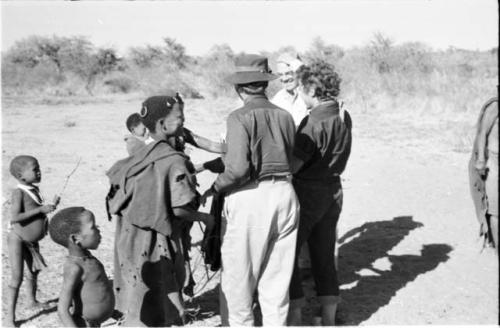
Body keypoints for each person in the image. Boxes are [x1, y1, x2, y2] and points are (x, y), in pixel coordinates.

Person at [201, 54, 300, 326]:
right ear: (264, 85)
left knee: (238, 280)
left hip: (250, 198)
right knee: (277, 281)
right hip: (285, 194)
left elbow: (238, 170)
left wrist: (214, 188)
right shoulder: (285, 116)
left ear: (239, 88)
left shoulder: (238, 117)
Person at [106, 95, 214, 326]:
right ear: (163, 124)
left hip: (130, 235)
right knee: (160, 294)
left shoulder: (143, 154)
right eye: (179, 117)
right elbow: (178, 210)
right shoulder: (173, 160)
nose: (183, 120)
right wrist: (205, 217)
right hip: (157, 239)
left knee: (141, 292)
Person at [287, 60, 352, 326]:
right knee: (324, 254)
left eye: (300, 89)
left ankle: (295, 314)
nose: (298, 95)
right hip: (334, 189)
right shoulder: (344, 116)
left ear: (311, 88)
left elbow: (294, 166)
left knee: (288, 251)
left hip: (307, 191)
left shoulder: (312, 122)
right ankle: (328, 316)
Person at [6, 155, 57, 327]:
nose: (39, 172)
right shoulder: (19, 192)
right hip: (17, 239)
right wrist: (40, 210)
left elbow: (36, 210)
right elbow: (15, 217)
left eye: (39, 168)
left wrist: (47, 208)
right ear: (21, 176)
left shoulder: (33, 190)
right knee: (16, 277)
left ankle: (31, 301)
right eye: (35, 169)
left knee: (33, 271)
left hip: (30, 242)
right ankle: (9, 319)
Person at [48, 207, 115, 327]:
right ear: (75, 238)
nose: (99, 231)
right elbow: (62, 310)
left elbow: (97, 292)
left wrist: (111, 312)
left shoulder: (89, 259)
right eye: (93, 227)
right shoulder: (74, 268)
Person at [469, 97, 498, 251]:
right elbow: (482, 134)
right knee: (495, 212)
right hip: (495, 165)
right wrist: (480, 160)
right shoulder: (495, 106)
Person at [272, 52, 309, 126]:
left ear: (298, 73)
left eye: (288, 73)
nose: (284, 79)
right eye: (280, 75)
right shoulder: (276, 101)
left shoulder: (309, 96)